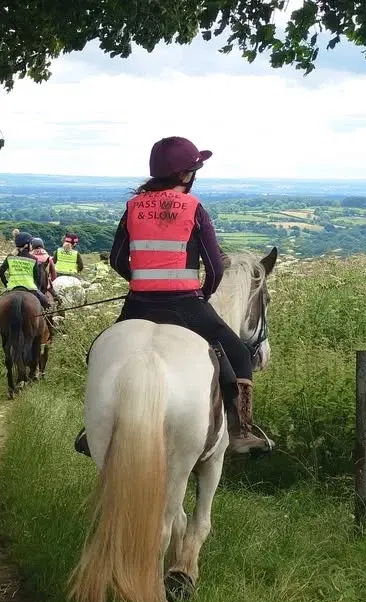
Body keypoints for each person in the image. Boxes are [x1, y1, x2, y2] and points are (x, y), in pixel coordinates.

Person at [74, 136, 272, 456]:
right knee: (237, 354)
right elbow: (215, 268)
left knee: (100, 349)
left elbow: (115, 259)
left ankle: (92, 428)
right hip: (187, 307)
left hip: (138, 304)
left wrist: (139, 281)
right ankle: (240, 431)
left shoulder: (133, 206)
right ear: (184, 175)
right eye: (194, 169)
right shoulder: (194, 208)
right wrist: (202, 294)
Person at [0, 232, 53, 337]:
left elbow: (1, 272)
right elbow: (38, 278)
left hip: (12, 288)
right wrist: (37, 288)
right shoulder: (34, 260)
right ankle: (50, 328)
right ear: (27, 245)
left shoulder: (10, 257)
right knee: (47, 304)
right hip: (30, 288)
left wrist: (7, 284)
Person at [28, 237, 62, 304]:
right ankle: (59, 306)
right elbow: (53, 274)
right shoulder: (48, 257)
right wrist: (52, 281)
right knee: (56, 298)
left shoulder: (29, 256)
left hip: (29, 282)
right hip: (45, 284)